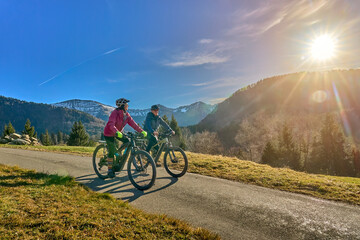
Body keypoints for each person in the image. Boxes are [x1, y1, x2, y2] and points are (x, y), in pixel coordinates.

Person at [103, 98, 147, 178]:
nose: (128, 105)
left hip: (117, 133)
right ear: (122, 106)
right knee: (111, 151)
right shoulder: (115, 113)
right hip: (109, 133)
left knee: (128, 141)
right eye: (126, 104)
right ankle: (110, 170)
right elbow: (111, 124)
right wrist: (116, 132)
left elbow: (133, 124)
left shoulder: (126, 115)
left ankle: (119, 154)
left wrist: (141, 131)